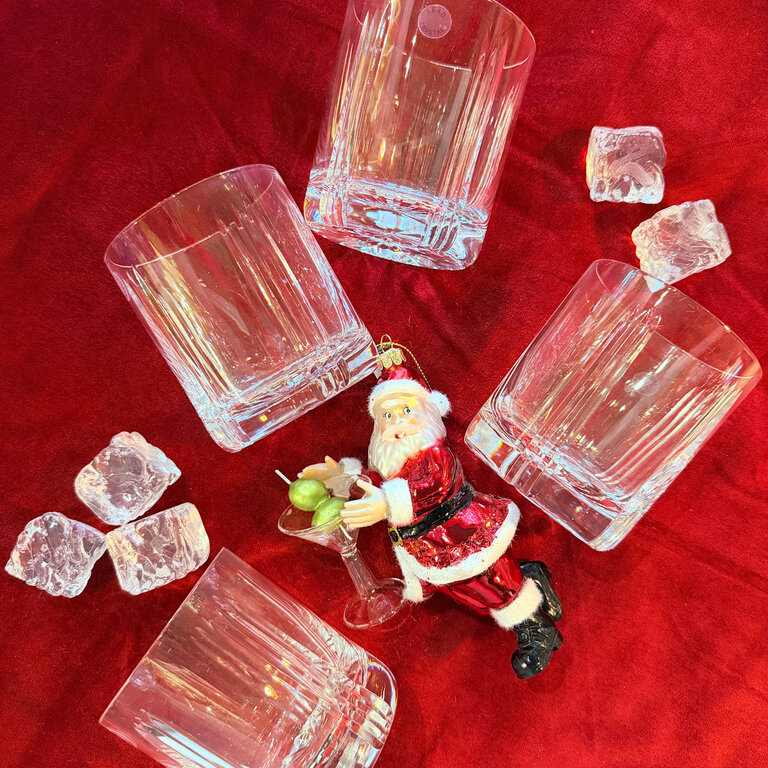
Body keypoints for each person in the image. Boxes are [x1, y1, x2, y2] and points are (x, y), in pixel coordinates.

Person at [301, 347, 563, 679]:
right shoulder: (391, 465)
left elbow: (433, 485)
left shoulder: (436, 455)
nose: (397, 422)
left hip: (461, 533)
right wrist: (342, 478)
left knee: (489, 583)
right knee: (465, 592)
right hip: (428, 551)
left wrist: (387, 503)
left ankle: (537, 628)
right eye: (387, 416)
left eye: (405, 410)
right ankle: (529, 576)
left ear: (427, 411)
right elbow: (372, 483)